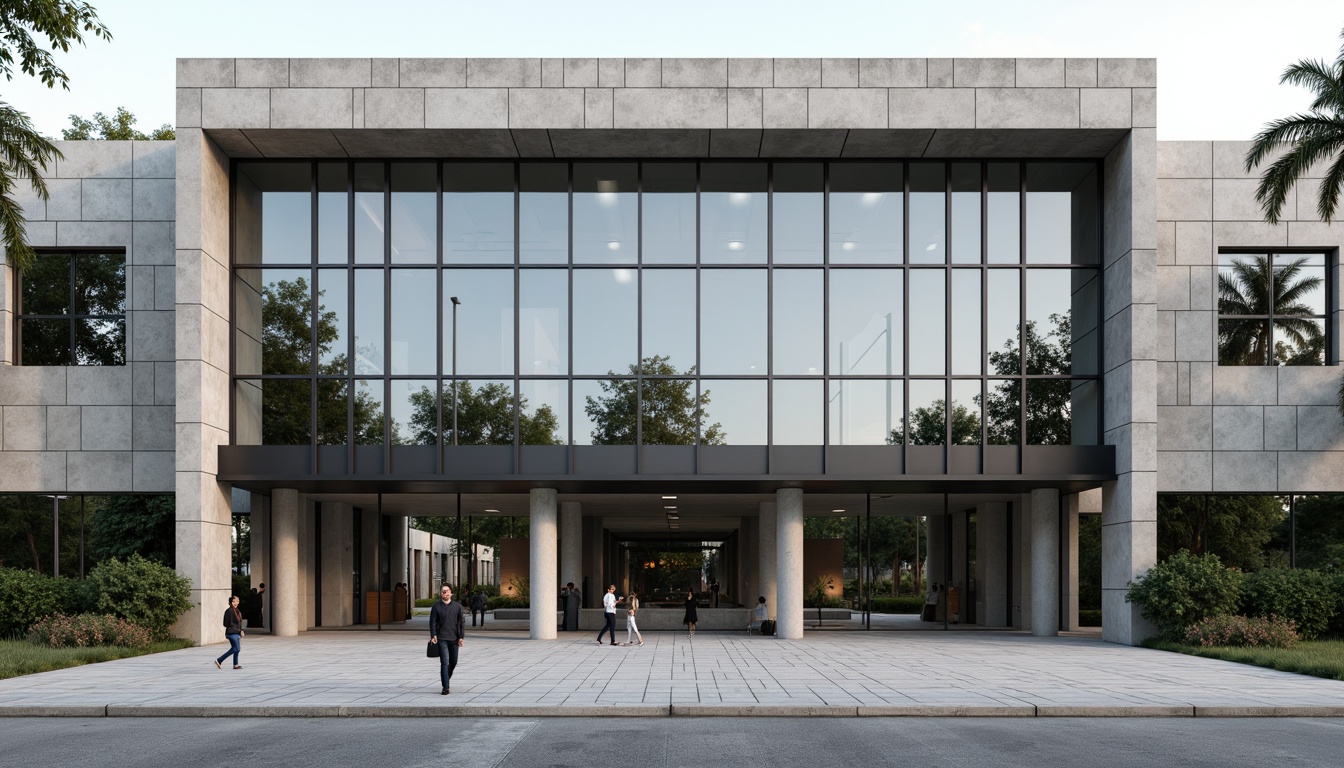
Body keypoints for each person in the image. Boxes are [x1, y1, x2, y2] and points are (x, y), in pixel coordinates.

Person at [429, 584, 466, 695]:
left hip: (454, 638)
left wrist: (461, 637)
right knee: (445, 662)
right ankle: (445, 687)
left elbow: (461, 623)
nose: (445, 593)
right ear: (441, 594)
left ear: (451, 593)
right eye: (443, 591)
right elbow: (432, 622)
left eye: (447, 591)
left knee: (453, 662)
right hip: (442, 639)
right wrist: (433, 635)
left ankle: (446, 677)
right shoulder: (436, 607)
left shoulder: (457, 607)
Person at [214, 595, 244, 670]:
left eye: (237, 601)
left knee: (237, 649)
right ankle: (219, 660)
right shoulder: (229, 611)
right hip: (231, 633)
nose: (235, 603)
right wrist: (232, 625)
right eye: (233, 601)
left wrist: (241, 630)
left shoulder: (238, 611)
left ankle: (235, 665)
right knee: (235, 648)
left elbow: (239, 623)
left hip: (237, 633)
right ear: (230, 602)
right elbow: (225, 623)